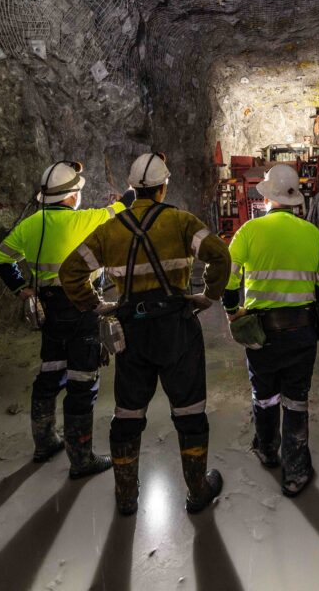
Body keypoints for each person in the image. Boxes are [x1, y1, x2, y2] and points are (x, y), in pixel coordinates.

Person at [60, 153, 231, 515]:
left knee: (128, 414)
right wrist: (208, 296)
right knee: (189, 411)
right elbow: (220, 257)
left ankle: (126, 498)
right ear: (163, 186)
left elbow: (70, 271)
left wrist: (95, 306)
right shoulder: (181, 222)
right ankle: (197, 490)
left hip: (131, 332)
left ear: (133, 188)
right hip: (177, 329)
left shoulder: (111, 229)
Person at [0, 160, 134, 477]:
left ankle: (44, 444)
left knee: (50, 375)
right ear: (71, 197)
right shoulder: (87, 220)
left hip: (51, 309)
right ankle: (81, 460)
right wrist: (130, 190)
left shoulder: (29, 225)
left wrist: (22, 289)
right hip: (82, 307)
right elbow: (124, 206)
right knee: (82, 382)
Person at [222, 164, 319, 497]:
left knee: (265, 395)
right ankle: (296, 472)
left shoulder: (248, 231)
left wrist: (233, 312)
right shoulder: (312, 233)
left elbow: (228, 282)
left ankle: (267, 448)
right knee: (296, 400)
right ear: (294, 199)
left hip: (261, 335)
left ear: (268, 196)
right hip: (302, 334)